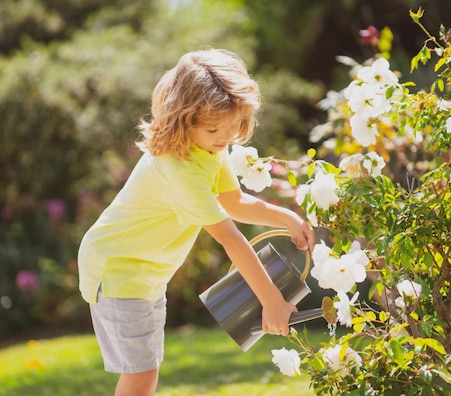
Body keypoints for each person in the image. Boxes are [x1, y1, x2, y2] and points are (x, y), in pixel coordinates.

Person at [77, 48, 315, 396]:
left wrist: (285, 217)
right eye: (213, 127)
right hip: (116, 273)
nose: (224, 136)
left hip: (145, 275)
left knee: (145, 371)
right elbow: (231, 240)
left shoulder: (210, 149)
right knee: (141, 374)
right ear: (183, 119)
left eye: (233, 126)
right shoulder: (181, 172)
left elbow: (234, 201)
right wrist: (272, 301)